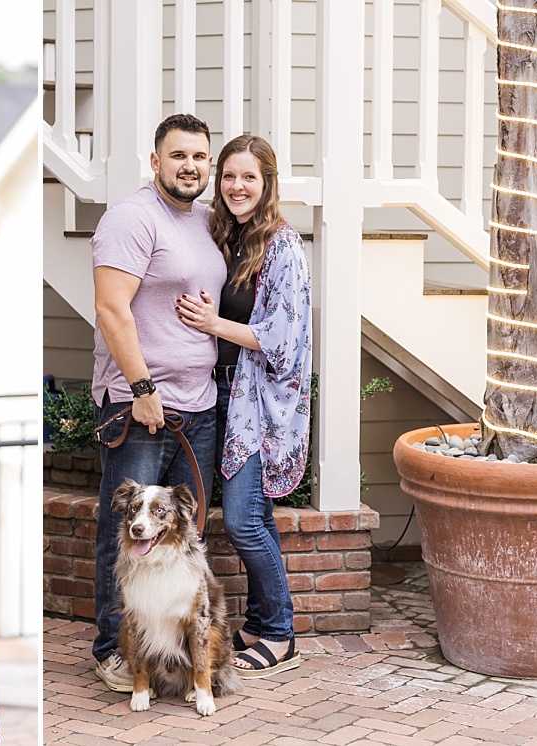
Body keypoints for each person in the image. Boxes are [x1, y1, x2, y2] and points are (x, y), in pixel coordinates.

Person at [90, 112, 227, 692]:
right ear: (155, 161)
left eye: (199, 157)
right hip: (140, 405)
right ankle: (113, 650)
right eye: (178, 156)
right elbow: (111, 309)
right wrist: (143, 390)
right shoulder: (130, 218)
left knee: (181, 536)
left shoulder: (205, 221)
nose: (190, 166)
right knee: (125, 530)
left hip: (199, 405)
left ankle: (170, 650)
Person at [177, 134, 311, 678]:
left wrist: (213, 324)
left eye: (248, 177)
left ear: (267, 184)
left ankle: (280, 633)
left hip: (257, 402)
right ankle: (258, 623)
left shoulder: (283, 246)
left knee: (241, 521)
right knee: (256, 516)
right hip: (219, 392)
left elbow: (283, 336)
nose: (236, 186)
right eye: (229, 175)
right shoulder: (223, 237)